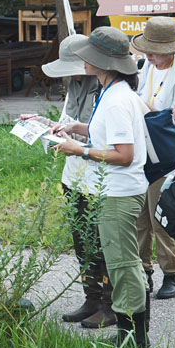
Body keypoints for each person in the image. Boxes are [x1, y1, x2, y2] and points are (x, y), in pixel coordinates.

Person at [53, 27, 150, 348]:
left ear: (103, 63)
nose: (83, 60)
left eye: (89, 56)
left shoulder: (116, 100)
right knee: (123, 263)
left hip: (119, 193)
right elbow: (108, 137)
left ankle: (133, 338)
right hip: (112, 190)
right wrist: (77, 128)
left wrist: (78, 149)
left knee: (123, 265)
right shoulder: (112, 92)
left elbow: (124, 155)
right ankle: (128, 332)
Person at [37, 35, 112, 328]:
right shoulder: (74, 86)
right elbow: (66, 121)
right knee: (82, 241)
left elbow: (108, 136)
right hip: (74, 175)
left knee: (102, 241)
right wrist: (46, 127)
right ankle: (91, 297)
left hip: (99, 175)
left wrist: (77, 139)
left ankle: (110, 303)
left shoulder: (108, 88)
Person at [132, 16, 175, 300]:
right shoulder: (146, 66)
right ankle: (143, 271)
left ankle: (170, 274)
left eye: (154, 50)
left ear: (169, 49)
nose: (148, 55)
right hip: (139, 149)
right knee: (139, 218)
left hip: (166, 153)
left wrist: (139, 105)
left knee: (161, 216)